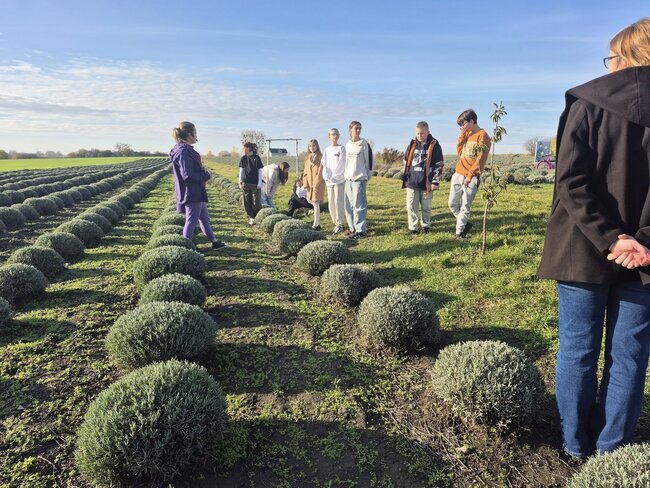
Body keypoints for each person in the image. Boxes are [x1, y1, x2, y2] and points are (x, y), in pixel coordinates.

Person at [538, 17, 650, 458]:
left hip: (582, 248)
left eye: (612, 57)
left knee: (578, 349)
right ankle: (611, 452)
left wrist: (611, 239)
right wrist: (640, 241)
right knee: (629, 357)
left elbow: (571, 180)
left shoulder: (588, 102)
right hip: (644, 257)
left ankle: (574, 445)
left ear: (625, 57)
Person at [169, 121, 227, 249]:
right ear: (190, 134)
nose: (196, 136)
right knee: (191, 221)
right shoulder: (183, 152)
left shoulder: (184, 150)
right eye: (195, 133)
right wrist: (205, 175)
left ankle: (215, 242)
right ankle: (185, 249)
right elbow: (188, 175)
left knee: (204, 218)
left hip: (196, 191)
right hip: (191, 192)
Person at [448, 109, 491, 239]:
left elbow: (480, 159)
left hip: (471, 177)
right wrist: (461, 136)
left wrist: (470, 175)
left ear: (472, 121)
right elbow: (460, 152)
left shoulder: (483, 135)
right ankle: (464, 224)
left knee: (465, 205)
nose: (462, 127)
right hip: (458, 173)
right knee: (452, 203)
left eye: (463, 124)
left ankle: (459, 232)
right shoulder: (467, 133)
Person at [401, 121, 444, 234]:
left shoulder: (434, 145)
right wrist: (405, 175)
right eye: (417, 133)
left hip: (427, 184)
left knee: (426, 208)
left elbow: (439, 164)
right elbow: (406, 160)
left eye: (422, 133)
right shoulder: (412, 144)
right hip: (412, 183)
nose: (419, 136)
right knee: (411, 207)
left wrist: (435, 181)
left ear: (428, 132)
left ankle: (426, 226)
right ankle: (413, 228)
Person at [344, 120, 371, 240]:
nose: (358, 130)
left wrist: (366, 176)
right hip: (348, 179)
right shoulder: (348, 145)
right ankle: (352, 228)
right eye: (356, 128)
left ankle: (360, 231)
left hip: (359, 178)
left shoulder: (364, 144)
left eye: (360, 128)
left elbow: (368, 162)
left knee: (359, 206)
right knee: (348, 206)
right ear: (350, 130)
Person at [322, 128, 346, 234]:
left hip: (339, 180)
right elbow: (324, 164)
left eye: (336, 134)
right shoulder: (327, 150)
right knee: (331, 202)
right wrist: (326, 176)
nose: (335, 136)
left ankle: (340, 223)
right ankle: (335, 223)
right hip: (329, 181)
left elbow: (342, 164)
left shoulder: (341, 148)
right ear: (329, 136)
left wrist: (335, 176)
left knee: (338, 201)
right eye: (333, 134)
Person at [302, 139, 325, 230]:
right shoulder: (308, 158)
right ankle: (316, 223)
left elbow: (320, 172)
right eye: (310, 146)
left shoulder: (320, 157)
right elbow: (305, 173)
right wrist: (306, 185)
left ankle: (316, 224)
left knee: (316, 203)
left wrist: (315, 184)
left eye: (314, 145)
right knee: (312, 203)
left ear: (317, 146)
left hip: (317, 184)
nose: (312, 147)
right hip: (309, 185)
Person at [239, 142, 263, 225]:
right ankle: (252, 217)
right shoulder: (243, 158)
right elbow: (241, 171)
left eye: (244, 148)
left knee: (257, 202)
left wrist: (259, 182)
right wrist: (240, 182)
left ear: (248, 148)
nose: (243, 150)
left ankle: (257, 216)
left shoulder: (257, 158)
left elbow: (260, 171)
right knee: (247, 202)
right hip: (245, 183)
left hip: (255, 184)